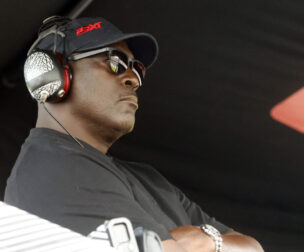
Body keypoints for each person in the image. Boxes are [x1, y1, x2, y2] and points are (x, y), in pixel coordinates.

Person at [4, 16, 263, 252]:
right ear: (50, 76)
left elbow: (253, 248)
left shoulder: (149, 178)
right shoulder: (51, 168)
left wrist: (207, 240)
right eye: (115, 62)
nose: (134, 79)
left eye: (137, 69)